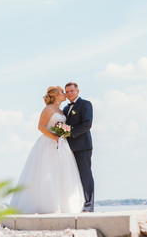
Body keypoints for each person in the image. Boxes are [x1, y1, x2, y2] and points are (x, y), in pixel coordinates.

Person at [10, 86, 84, 214]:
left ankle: (63, 205)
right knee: (47, 173)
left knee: (62, 174)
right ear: (55, 95)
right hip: (48, 144)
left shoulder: (61, 111)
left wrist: (63, 134)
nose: (65, 94)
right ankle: (47, 206)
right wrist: (55, 137)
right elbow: (41, 127)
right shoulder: (48, 109)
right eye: (62, 92)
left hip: (61, 145)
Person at [62, 82, 94, 212]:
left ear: (78, 91)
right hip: (68, 149)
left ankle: (88, 206)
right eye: (67, 91)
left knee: (85, 176)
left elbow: (87, 124)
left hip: (82, 147)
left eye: (71, 91)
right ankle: (75, 204)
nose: (69, 93)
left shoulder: (85, 104)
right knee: (72, 177)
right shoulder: (65, 109)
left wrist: (70, 132)